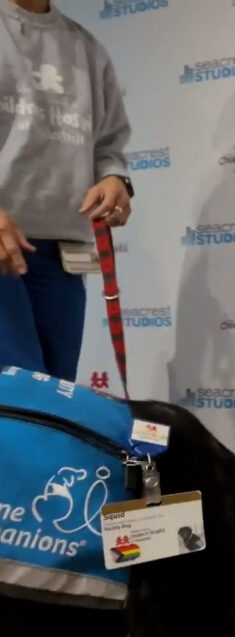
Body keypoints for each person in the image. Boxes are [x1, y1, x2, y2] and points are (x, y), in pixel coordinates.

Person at [0, 0, 133, 381]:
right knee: (17, 392)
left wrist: (114, 178)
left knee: (55, 394)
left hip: (62, 255)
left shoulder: (86, 48)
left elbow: (108, 144)